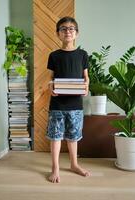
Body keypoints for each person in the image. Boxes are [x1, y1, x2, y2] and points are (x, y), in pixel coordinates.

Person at [46, 16, 90, 183]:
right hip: (57, 104)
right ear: (58, 34)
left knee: (73, 136)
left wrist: (86, 87)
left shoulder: (83, 54)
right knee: (55, 136)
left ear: (77, 33)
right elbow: (51, 78)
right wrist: (50, 86)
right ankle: (55, 168)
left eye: (71, 29)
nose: (67, 31)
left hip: (76, 104)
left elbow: (86, 77)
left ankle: (74, 164)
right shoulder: (54, 55)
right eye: (63, 29)